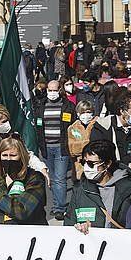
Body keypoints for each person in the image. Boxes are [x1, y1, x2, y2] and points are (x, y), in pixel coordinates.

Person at [67, 139, 131, 230]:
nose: (86, 167)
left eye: (91, 163)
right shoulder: (79, 189)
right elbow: (69, 222)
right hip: (89, 241)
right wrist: (78, 228)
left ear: (107, 164)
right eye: (83, 162)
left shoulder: (129, 189)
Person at [34, 78, 75, 222]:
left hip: (61, 147)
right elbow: (37, 126)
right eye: (49, 90)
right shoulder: (41, 105)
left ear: (60, 90)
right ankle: (58, 203)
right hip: (46, 148)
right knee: (51, 178)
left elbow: (72, 126)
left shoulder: (67, 106)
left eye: (54, 90)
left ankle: (59, 208)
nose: (52, 93)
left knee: (60, 178)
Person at [88, 90, 131, 173]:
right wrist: (124, 165)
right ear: (122, 111)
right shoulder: (103, 127)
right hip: (109, 175)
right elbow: (99, 154)